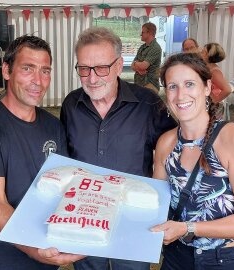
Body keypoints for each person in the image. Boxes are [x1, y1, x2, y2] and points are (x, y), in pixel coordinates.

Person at [0, 35, 84, 270]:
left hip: (46, 257)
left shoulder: (53, 126)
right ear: (7, 71)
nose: (38, 80)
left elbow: (64, 188)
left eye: (45, 71)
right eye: (28, 68)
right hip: (0, 260)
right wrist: (35, 249)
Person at [60, 26, 177, 270]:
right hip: (85, 220)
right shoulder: (71, 104)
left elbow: (175, 151)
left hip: (134, 220)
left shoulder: (148, 104)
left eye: (101, 67)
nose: (92, 78)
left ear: (118, 64)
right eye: (84, 69)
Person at [151, 52, 234, 269]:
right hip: (177, 257)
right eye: (172, 86)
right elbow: (157, 206)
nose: (180, 95)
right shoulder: (166, 143)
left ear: (207, 87)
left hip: (227, 259)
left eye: (189, 84)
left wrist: (188, 228)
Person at [131, 22, 162, 93]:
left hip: (150, 85)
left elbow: (143, 66)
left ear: (149, 33)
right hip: (140, 84)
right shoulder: (142, 47)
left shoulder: (155, 48)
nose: (140, 34)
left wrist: (136, 64)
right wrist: (137, 67)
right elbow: (132, 66)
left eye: (143, 32)